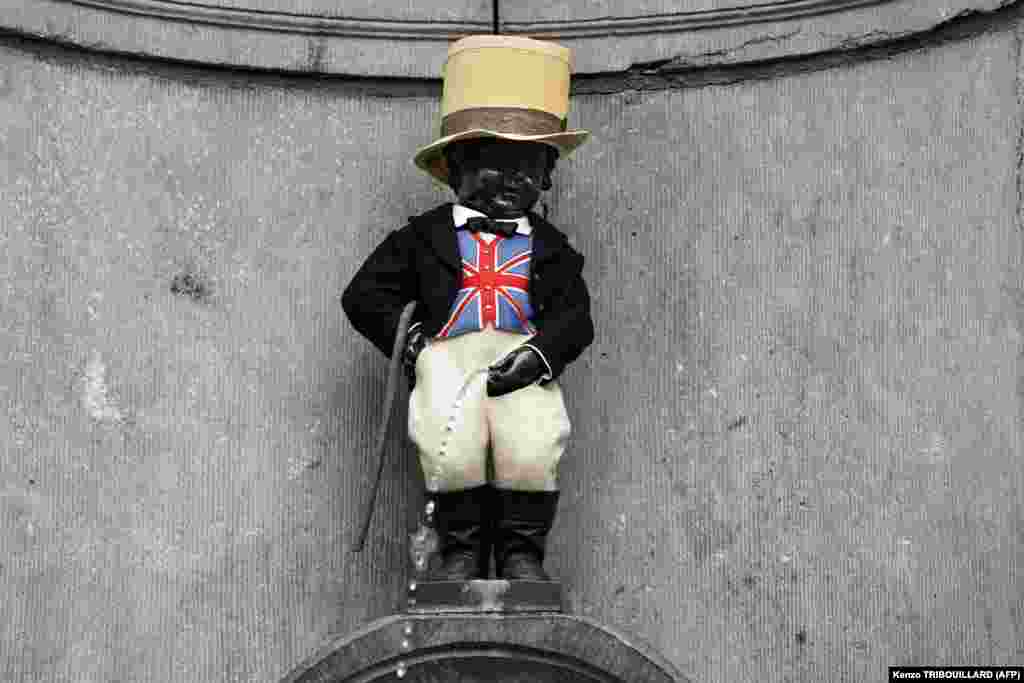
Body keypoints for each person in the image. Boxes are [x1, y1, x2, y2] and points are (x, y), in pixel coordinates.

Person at [342, 35, 593, 582]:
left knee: (530, 447)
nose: (512, 180)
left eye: (528, 166)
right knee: (450, 448)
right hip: (448, 361)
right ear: (454, 169)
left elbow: (576, 318)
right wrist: (410, 346)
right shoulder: (420, 237)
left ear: (548, 176)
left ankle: (522, 556)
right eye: (493, 164)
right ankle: (459, 555)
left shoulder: (555, 250)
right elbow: (363, 295)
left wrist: (538, 357)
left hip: (523, 361)